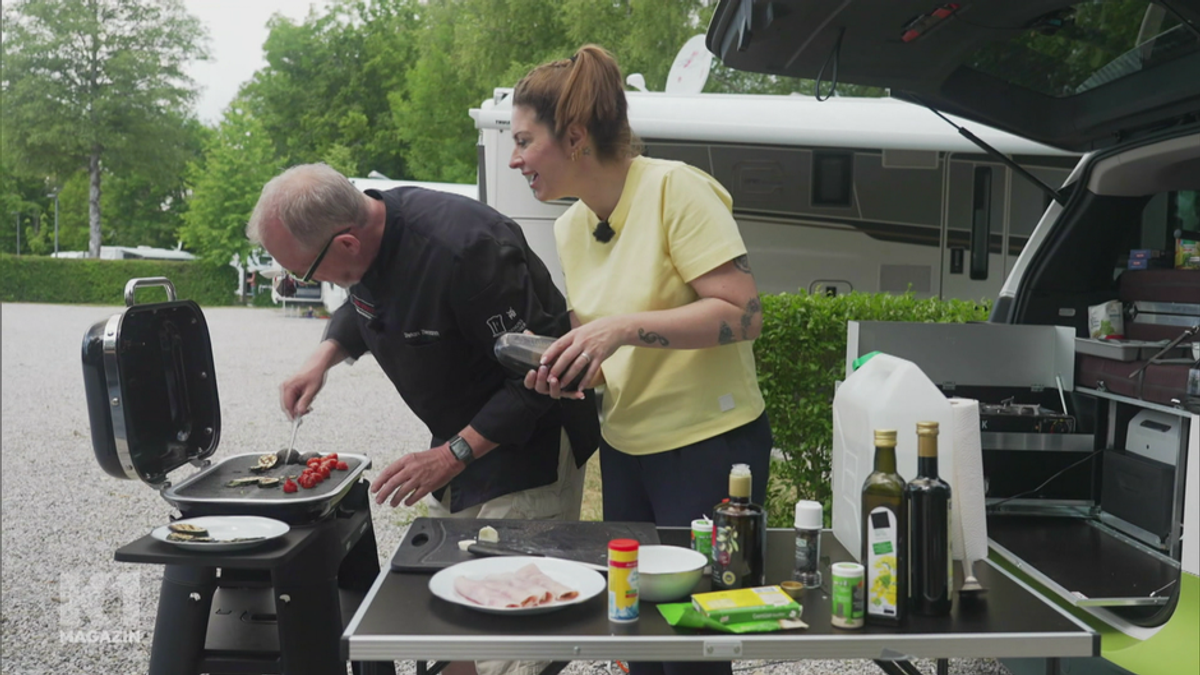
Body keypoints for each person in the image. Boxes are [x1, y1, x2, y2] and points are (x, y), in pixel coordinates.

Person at [247, 163, 600, 675]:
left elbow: (544, 377)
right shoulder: (362, 235)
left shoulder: (467, 249)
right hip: (456, 444)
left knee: (510, 633)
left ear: (346, 243)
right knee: (453, 611)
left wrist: (452, 454)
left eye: (304, 272)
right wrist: (322, 358)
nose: (305, 282)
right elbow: (362, 300)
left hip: (531, 450)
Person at [509, 46, 773, 675]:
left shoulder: (674, 188)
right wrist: (565, 368)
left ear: (574, 138)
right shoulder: (572, 227)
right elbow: (600, 352)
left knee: (695, 650)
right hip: (626, 450)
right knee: (636, 640)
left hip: (709, 449)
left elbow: (744, 315)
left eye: (524, 140)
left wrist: (623, 328)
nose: (515, 158)